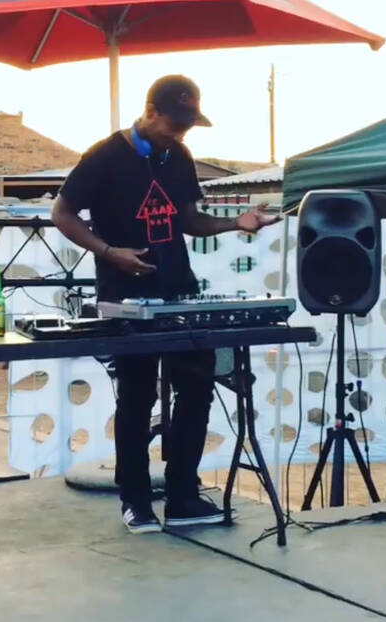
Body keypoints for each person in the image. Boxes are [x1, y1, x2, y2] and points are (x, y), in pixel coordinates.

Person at [51, 74, 280, 534]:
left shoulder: (180, 157)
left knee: (196, 386)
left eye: (187, 125)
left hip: (178, 290)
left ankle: (182, 496)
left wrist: (237, 222)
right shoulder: (105, 156)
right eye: (174, 124)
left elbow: (189, 219)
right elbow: (62, 213)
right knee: (137, 397)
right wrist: (110, 252)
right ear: (150, 112)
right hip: (125, 294)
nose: (180, 133)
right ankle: (135, 500)